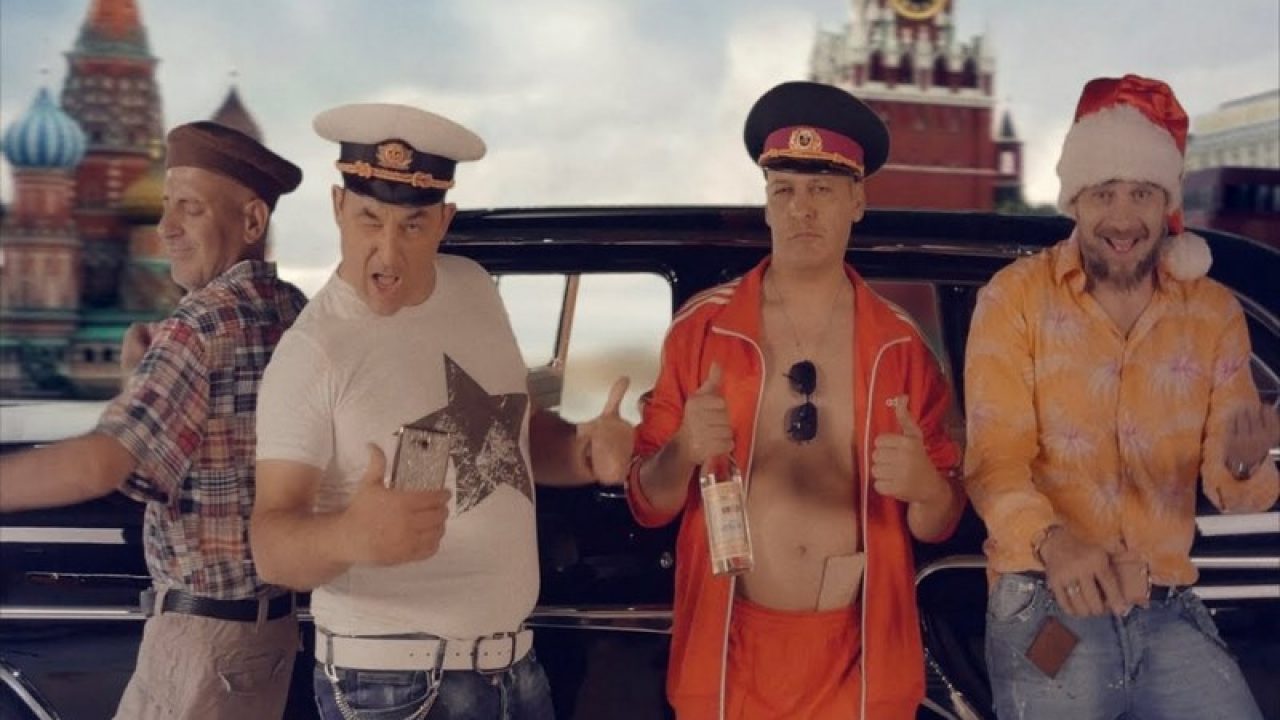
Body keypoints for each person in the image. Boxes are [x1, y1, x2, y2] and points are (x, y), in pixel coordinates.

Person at [249, 102, 634, 720]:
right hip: (393, 685)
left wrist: (585, 450)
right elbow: (270, 544)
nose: (388, 252)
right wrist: (350, 535)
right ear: (338, 207)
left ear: (443, 220)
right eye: (370, 218)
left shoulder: (472, 287)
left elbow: (515, 435)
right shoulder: (312, 352)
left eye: (413, 225)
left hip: (514, 669)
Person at [626, 81, 965, 719]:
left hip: (859, 663)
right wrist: (684, 449)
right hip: (729, 657)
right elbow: (649, 503)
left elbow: (939, 522)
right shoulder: (703, 329)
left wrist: (925, 487)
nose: (802, 209)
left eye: (823, 190)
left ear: (857, 201)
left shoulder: (900, 347)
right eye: (784, 190)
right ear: (766, 204)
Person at [964, 74, 1279, 720]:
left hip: (1164, 604)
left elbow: (1234, 490)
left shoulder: (1213, 312)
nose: (1123, 218)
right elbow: (994, 461)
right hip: (1048, 603)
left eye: (1142, 193)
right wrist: (1055, 541)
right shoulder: (1014, 298)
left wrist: (1244, 461)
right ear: (1076, 201)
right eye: (1104, 192)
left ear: (1165, 203)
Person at [0, 121, 306, 719]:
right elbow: (212, 454)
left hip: (201, 645)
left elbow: (100, 465)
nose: (165, 227)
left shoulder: (200, 326)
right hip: (266, 639)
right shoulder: (290, 310)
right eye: (167, 206)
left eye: (190, 208)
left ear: (252, 221)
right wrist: (139, 385)